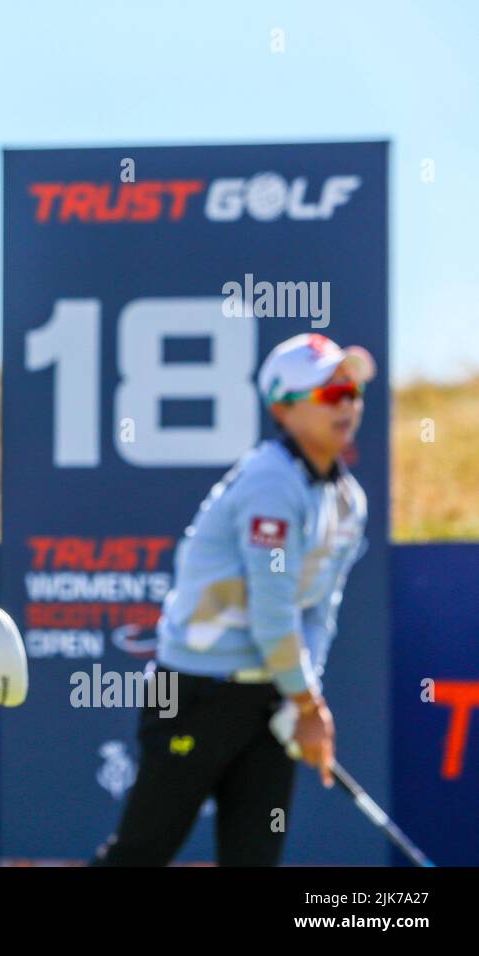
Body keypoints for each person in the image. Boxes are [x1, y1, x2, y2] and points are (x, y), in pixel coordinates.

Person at [91, 333, 374, 866]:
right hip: (193, 692)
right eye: (331, 394)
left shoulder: (348, 501)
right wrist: (310, 706)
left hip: (271, 697)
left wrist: (299, 693)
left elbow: (320, 611)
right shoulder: (270, 482)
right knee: (142, 853)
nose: (349, 405)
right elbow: (272, 615)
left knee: (254, 859)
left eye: (353, 393)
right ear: (284, 409)